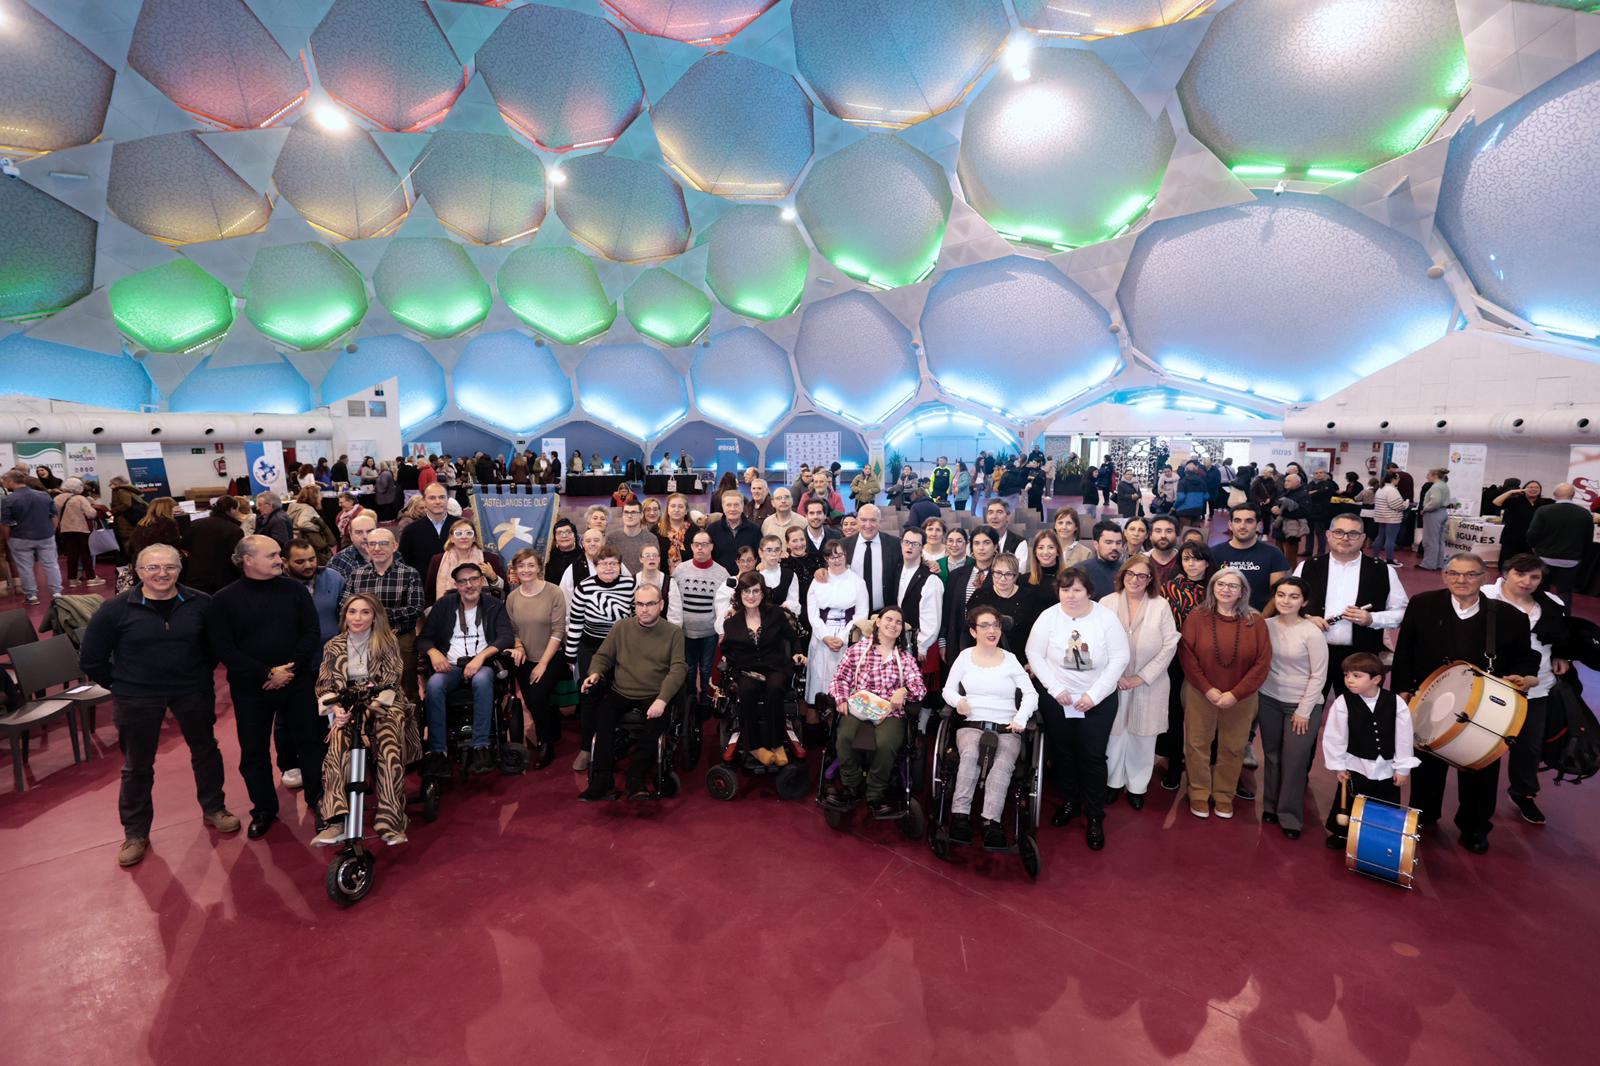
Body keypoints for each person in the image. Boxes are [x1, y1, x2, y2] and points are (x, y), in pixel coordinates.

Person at [79, 544, 241, 867]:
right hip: (136, 697)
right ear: (138, 572)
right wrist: (122, 685)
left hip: (191, 691)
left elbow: (215, 647)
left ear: (180, 570)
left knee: (206, 751)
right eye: (152, 567)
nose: (162, 574)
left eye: (169, 567)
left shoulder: (202, 604)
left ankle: (215, 809)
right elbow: (92, 659)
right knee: (137, 765)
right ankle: (135, 833)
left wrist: (197, 674)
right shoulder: (115, 610)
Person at [1389, 553, 1538, 853]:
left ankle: (1475, 827)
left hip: (1485, 709)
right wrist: (1402, 690)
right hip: (1432, 699)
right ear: (1444, 576)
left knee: (1481, 768)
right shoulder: (1422, 604)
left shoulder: (1510, 617)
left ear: (1484, 578)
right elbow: (1404, 650)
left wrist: (1525, 677)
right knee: (1426, 764)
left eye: (1470, 574)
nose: (1462, 580)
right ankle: (1425, 814)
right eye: (1454, 574)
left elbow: (1525, 658)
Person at [207, 535, 325, 839]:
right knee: (254, 751)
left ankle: (318, 798)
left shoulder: (294, 590)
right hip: (250, 688)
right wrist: (266, 672)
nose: (278, 560)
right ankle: (263, 810)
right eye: (271, 555)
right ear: (248, 560)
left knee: (310, 742)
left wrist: (289, 670)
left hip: (296, 682)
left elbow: (311, 632)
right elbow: (223, 648)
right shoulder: (223, 600)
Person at [1027, 567, 1131, 850]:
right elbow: (1033, 653)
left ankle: (1095, 815)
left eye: (1077, 590)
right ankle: (1070, 802)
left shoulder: (1106, 618)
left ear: (1089, 592)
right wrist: (1055, 689)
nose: (1070, 596)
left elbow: (1120, 658)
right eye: (1065, 590)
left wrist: (1093, 695)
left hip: (1097, 701)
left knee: (1093, 756)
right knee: (1063, 754)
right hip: (1058, 699)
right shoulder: (1048, 617)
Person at [309, 593, 415, 847]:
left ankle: (390, 819)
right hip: (347, 703)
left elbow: (391, 681)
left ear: (375, 617)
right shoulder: (334, 645)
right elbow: (324, 685)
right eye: (352, 612)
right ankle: (336, 820)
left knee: (388, 741)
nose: (357, 618)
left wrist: (366, 710)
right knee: (337, 745)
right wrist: (337, 709)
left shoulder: (386, 641)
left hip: (383, 703)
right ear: (344, 615)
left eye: (365, 612)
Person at [1483, 553, 1571, 827]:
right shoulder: (1485, 596)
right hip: (1491, 684)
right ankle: (1479, 797)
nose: (1527, 581)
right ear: (1505, 573)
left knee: (1529, 747)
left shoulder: (1552, 603)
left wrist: (1562, 655)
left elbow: (1562, 635)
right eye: (1520, 574)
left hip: (1537, 685)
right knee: (1485, 743)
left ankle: (1523, 792)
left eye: (1535, 577)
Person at [1177, 568, 1272, 820]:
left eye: (1233, 585)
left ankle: (1224, 795)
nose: (1226, 589)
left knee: (1233, 746)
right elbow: (1187, 656)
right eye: (1220, 584)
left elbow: (1262, 663)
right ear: (1212, 587)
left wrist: (1235, 694)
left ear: (1242, 591)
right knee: (1197, 745)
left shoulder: (1255, 621)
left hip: (1241, 697)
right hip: (1200, 692)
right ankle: (1198, 792)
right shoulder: (1197, 617)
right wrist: (1207, 689)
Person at [578, 582, 686, 801]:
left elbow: (678, 669)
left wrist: (663, 699)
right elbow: (602, 656)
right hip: (621, 690)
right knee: (603, 716)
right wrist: (595, 672)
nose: (644, 609)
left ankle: (635, 777)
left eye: (650, 604)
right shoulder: (622, 627)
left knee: (656, 724)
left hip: (654, 693)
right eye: (639, 604)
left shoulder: (673, 632)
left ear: (661, 605)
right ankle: (602, 779)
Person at [942, 604, 1037, 846]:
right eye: (984, 626)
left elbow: (1031, 694)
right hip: (972, 722)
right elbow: (948, 690)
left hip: (1006, 726)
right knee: (970, 755)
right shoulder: (964, 658)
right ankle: (960, 816)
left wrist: (1020, 718)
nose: (992, 630)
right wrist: (959, 701)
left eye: (995, 625)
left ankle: (991, 822)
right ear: (973, 632)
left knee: (1003, 763)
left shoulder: (1010, 660)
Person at [825, 605, 927, 815]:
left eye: (898, 622)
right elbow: (840, 678)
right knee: (844, 737)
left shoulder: (905, 658)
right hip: (859, 706)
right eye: (889, 619)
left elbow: (920, 687)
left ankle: (875, 793)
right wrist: (841, 698)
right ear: (878, 622)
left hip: (889, 711)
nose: (893, 625)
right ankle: (852, 786)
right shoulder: (858, 650)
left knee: (886, 743)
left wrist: (904, 691)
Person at [1294, 513, 1408, 697]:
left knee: (1357, 710)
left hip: (1361, 658)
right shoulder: (1307, 567)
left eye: (1353, 534)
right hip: (1313, 653)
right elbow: (1289, 607)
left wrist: (1372, 619)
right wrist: (1306, 619)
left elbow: (1402, 612)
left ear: (1363, 538)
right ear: (1328, 535)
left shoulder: (1383, 570)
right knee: (1307, 708)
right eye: (1339, 532)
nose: (1345, 538)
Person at [418, 562, 515, 775]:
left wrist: (481, 657)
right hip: (451, 666)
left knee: (482, 679)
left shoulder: (493, 605)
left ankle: (480, 746)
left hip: (482, 665)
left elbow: (506, 637)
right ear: (456, 585)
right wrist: (433, 652)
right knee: (434, 685)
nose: (469, 585)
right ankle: (438, 751)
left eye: (473, 579)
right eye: (463, 581)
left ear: (481, 580)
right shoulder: (444, 605)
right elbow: (424, 639)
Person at [1102, 555, 1180, 809]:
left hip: (1149, 683)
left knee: (1143, 736)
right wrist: (1116, 676)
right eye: (1130, 574)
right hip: (1113, 682)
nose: (1135, 580)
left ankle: (1137, 786)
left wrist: (1141, 677)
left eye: (1142, 576)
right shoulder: (1106, 603)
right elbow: (1097, 642)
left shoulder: (1160, 606)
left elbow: (1169, 646)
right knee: (1114, 734)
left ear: (1150, 580)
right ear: (1122, 575)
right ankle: (1113, 783)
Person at [1321, 652, 1418, 850]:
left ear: (1376, 679)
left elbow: (1404, 737)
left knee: (1385, 806)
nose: (1349, 680)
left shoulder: (1396, 702)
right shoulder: (1343, 702)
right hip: (1355, 765)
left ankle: (1380, 840)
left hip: (1387, 767)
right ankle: (1342, 833)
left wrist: (1402, 768)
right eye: (1347, 675)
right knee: (1349, 801)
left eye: (1356, 676)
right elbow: (1335, 736)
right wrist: (1339, 766)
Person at [1256, 576, 1328, 839]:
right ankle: (1270, 806)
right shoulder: (1265, 625)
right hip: (1269, 699)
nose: (1286, 601)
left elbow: (1319, 676)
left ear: (1304, 602)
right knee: (1272, 755)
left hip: (1301, 705)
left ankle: (1290, 816)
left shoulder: (1311, 632)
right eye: (1281, 595)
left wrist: (1303, 710)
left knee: (1294, 760)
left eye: (1294, 596)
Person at [719, 571, 806, 765]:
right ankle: (754, 746)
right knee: (747, 690)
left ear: (763, 593)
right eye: (746, 591)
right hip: (746, 669)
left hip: (774, 666)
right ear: (740, 594)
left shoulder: (776, 614)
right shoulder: (732, 622)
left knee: (774, 688)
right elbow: (727, 649)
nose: (751, 596)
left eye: (756, 591)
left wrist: (798, 653)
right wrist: (733, 666)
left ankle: (777, 744)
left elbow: (792, 638)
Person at [341, 527, 425, 702]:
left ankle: (411, 720)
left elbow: (416, 608)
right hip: (364, 640)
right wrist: (370, 621)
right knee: (367, 691)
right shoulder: (357, 575)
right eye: (372, 544)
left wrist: (377, 615)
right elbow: (345, 607)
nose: (377, 548)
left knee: (407, 691)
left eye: (383, 543)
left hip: (400, 638)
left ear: (395, 546)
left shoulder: (409, 574)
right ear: (367, 547)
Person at [1158, 542, 1215, 790]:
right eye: (1186, 559)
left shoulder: (1216, 588)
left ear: (1207, 562)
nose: (1191, 564)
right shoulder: (1169, 588)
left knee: (1203, 714)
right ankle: (1174, 765)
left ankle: (1206, 768)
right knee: (1174, 713)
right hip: (1175, 658)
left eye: (1197, 559)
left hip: (1207, 661)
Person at [505, 549, 566, 770]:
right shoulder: (512, 597)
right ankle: (551, 728)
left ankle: (546, 742)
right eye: (521, 566)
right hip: (524, 659)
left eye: (531, 565)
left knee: (537, 697)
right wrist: (518, 646)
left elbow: (558, 631)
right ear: (515, 570)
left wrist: (542, 664)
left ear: (539, 567)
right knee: (532, 701)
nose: (526, 570)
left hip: (551, 657)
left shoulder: (554, 592)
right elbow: (512, 631)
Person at [804, 541, 869, 716]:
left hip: (847, 637)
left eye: (839, 555)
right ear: (826, 559)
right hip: (821, 637)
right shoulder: (818, 580)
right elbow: (812, 613)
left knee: (844, 685)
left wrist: (842, 637)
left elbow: (861, 613)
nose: (836, 560)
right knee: (818, 688)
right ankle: (816, 727)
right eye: (831, 557)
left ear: (845, 555)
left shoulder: (857, 582)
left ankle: (841, 723)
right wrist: (825, 636)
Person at [668, 528, 728, 715]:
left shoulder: (722, 573)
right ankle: (690, 702)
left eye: (704, 544)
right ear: (691, 547)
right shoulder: (680, 570)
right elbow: (673, 600)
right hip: (685, 631)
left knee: (707, 668)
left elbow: (724, 605)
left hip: (709, 632)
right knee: (689, 668)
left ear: (711, 547)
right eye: (696, 544)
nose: (700, 548)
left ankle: (706, 702)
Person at [1, 468, 64, 605]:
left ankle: (31, 596)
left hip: (20, 537)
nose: (3, 483)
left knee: (25, 567)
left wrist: (8, 538)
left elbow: (6, 523)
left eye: (4, 481)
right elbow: (54, 516)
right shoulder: (44, 495)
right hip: (45, 535)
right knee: (51, 564)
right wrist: (51, 531)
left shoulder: (8, 500)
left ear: (11, 481)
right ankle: (56, 592)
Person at [1212, 505, 1289, 611]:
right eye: (1237, 521)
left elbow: (1278, 594)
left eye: (1249, 521)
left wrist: (1261, 618)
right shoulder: (1215, 553)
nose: (1242, 526)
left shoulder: (1273, 554)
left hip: (1261, 616)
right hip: (1222, 616)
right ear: (1230, 525)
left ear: (1258, 526)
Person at [1525, 483, 1594, 602]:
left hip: (1544, 556)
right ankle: (1564, 613)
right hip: (1571, 560)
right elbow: (1588, 539)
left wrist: (1533, 547)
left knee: (1541, 589)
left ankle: (1541, 611)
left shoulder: (1543, 510)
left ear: (1555, 494)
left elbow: (1532, 534)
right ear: (1573, 495)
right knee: (1565, 592)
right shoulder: (1585, 514)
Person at [892, 527, 944, 670]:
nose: (910, 547)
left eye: (915, 544)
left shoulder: (931, 579)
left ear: (922, 548)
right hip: (896, 637)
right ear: (901, 543)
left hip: (917, 642)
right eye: (907, 542)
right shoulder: (896, 568)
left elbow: (931, 615)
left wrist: (923, 645)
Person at [843, 504, 901, 614]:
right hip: (852, 612)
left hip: (884, 613)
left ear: (880, 522)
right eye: (863, 520)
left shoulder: (895, 544)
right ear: (857, 521)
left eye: (873, 520)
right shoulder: (844, 545)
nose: (868, 525)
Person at [427, 521, 506, 602]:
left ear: (474, 538)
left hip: (483, 608)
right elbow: (429, 593)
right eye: (459, 533)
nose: (464, 537)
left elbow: (504, 591)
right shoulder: (437, 560)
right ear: (451, 538)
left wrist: (493, 577)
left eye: (469, 533)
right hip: (445, 608)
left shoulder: (490, 559)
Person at [398, 483, 459, 575]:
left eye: (442, 497)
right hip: (422, 582)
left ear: (448, 499)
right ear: (424, 500)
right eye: (432, 498)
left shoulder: (461, 526)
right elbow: (404, 563)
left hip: (457, 581)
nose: (438, 502)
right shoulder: (410, 530)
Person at [54, 477, 103, 586]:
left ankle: (72, 579)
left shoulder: (57, 499)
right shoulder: (80, 498)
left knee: (72, 555)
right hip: (81, 529)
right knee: (86, 554)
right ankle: (91, 578)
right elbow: (91, 514)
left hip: (65, 529)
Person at [1492, 479, 1549, 563]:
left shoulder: (1545, 503)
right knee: (1508, 562)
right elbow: (1496, 502)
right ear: (1524, 489)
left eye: (1536, 487)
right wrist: (1511, 492)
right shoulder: (1515, 500)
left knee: (1528, 563)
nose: (1533, 489)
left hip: (1532, 539)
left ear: (1540, 490)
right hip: (1512, 538)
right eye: (1530, 487)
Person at [706, 490, 762, 573]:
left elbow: (760, 557)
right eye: (729, 505)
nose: (732, 509)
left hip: (747, 578)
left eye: (736, 505)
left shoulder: (755, 530)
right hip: (719, 578)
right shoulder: (712, 529)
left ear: (742, 506)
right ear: (723, 507)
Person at [1414, 468, 1452, 571]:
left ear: (1434, 475)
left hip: (1433, 514)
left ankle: (1429, 564)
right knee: (1439, 540)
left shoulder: (1436, 487)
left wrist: (1425, 509)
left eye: (1428, 475)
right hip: (1443, 513)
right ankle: (1439, 563)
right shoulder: (1444, 485)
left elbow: (1435, 502)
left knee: (1430, 540)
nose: (1427, 477)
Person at [605, 499, 655, 574]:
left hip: (643, 579)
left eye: (633, 512)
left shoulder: (651, 538)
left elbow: (654, 565)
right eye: (626, 512)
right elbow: (607, 564)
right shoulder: (611, 537)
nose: (629, 516)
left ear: (641, 515)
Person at [1080, 520, 1124, 600]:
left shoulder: (1128, 570)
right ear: (1096, 545)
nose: (1114, 547)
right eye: (1108, 542)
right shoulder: (1080, 571)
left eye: (1118, 543)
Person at [1371, 473, 1407, 565]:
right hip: (1392, 518)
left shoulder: (1381, 489)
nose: (1399, 480)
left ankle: (1375, 557)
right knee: (1390, 539)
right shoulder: (1392, 490)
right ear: (1393, 479)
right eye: (1398, 478)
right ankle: (1390, 559)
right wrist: (1405, 504)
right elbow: (1397, 505)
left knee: (1380, 537)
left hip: (1381, 517)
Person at [984, 499, 1029, 570]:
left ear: (1008, 517)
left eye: (999, 512)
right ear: (987, 517)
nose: (994, 517)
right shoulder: (977, 541)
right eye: (990, 512)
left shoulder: (1019, 542)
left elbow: (1019, 571)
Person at [108, 475, 148, 550]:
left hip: (125, 519)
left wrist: (113, 510)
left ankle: (131, 555)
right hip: (129, 518)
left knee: (127, 539)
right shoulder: (126, 490)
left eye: (111, 483)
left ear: (117, 484)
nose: (110, 485)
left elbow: (127, 504)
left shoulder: (121, 491)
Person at [544, 518, 583, 588]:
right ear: (555, 539)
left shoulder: (584, 556)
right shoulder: (549, 557)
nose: (564, 536)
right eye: (559, 533)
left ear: (575, 536)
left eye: (568, 532)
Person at [1146, 515, 1180, 589]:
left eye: (1169, 531)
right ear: (1150, 536)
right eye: (1158, 531)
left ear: (1177, 536)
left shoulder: (1184, 562)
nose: (1163, 536)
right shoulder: (1141, 561)